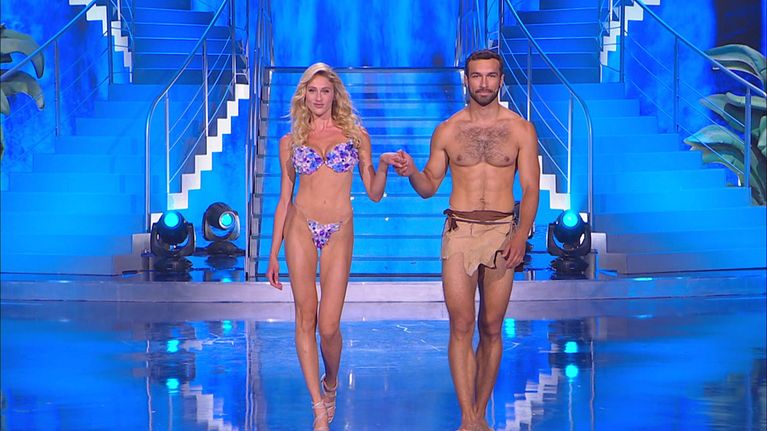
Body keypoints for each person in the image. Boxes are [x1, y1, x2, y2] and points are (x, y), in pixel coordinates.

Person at [395, 49, 540, 431]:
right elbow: (429, 186)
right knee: (461, 325)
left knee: (491, 326)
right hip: (459, 231)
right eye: (477, 76)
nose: (484, 83)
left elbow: (531, 187)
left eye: (491, 76)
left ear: (501, 80)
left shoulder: (521, 130)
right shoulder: (448, 130)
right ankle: (469, 418)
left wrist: (521, 234)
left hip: (502, 232)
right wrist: (412, 172)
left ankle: (480, 413)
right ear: (466, 80)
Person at [265, 63, 401, 430]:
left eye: (325, 91)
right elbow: (284, 199)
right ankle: (317, 409)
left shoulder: (356, 136)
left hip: (339, 228)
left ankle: (331, 382)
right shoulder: (290, 142)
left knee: (328, 326)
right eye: (312, 91)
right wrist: (273, 252)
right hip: (299, 226)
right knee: (304, 316)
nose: (319, 97)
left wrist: (383, 165)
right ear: (303, 95)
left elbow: (374, 194)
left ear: (334, 95)